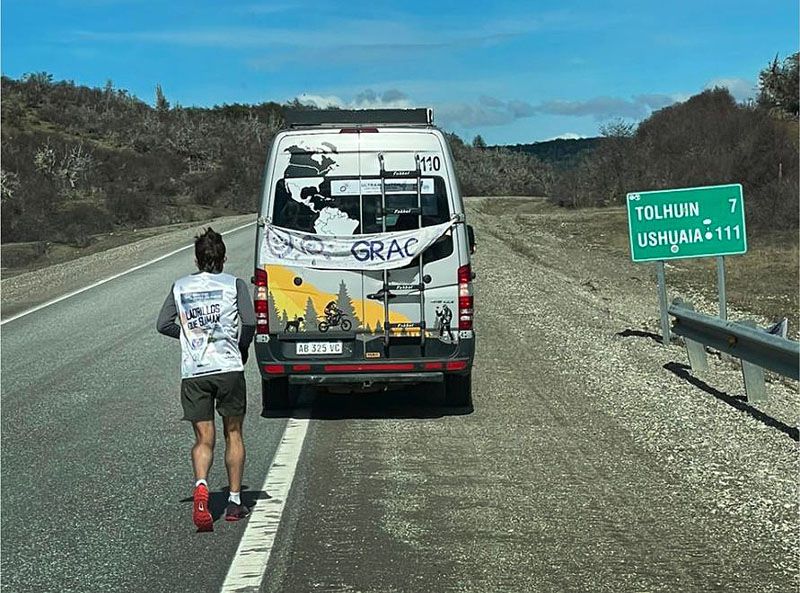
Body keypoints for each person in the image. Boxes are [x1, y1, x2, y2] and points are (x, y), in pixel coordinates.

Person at [156, 228, 256, 532]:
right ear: (223, 257)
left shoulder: (180, 286)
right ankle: (234, 502)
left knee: (203, 439)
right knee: (233, 433)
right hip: (228, 368)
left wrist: (187, 336)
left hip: (195, 372)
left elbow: (162, 324)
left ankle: (201, 485)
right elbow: (249, 322)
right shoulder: (234, 284)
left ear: (196, 259)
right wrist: (240, 348)